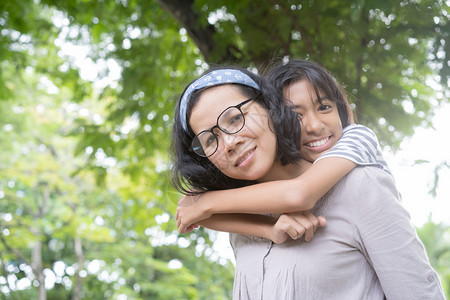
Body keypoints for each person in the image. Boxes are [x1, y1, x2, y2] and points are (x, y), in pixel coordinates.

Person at [170, 62, 445, 298]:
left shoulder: (359, 182)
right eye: (209, 140)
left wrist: (207, 204)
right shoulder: (238, 218)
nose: (228, 142)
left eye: (235, 118)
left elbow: (419, 292)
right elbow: (188, 208)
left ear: (271, 108)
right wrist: (268, 228)